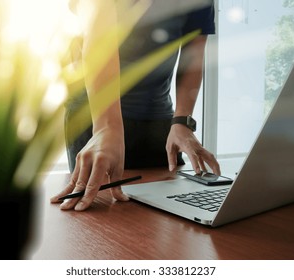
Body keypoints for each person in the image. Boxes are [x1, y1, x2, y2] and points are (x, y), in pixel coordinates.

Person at [50, 0, 220, 211]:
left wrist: (182, 121)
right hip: (94, 116)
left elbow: (193, 50)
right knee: (96, 213)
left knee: (161, 213)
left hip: (157, 119)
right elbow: (99, 30)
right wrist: (106, 126)